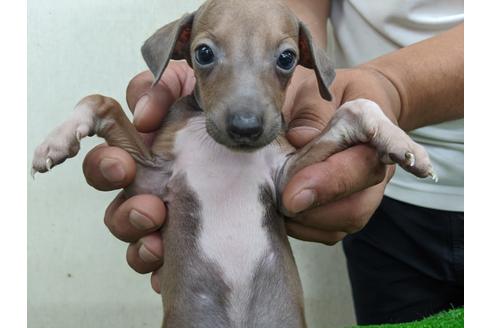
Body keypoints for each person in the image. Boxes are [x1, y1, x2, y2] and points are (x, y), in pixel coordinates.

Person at [81, 0, 463, 325]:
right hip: (386, 201)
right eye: (205, 54)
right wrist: (271, 46)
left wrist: (390, 87)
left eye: (285, 60)